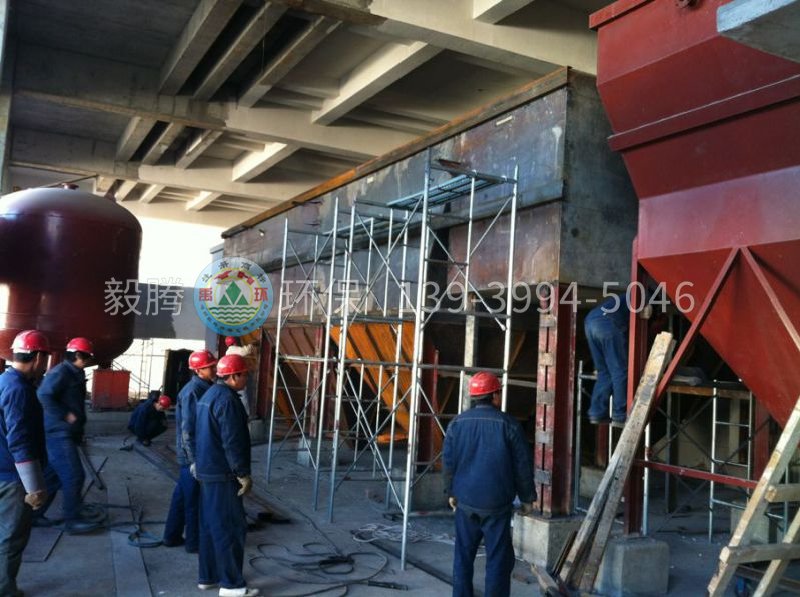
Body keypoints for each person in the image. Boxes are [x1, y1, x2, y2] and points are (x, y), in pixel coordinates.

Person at [443, 372, 536, 597]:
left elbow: (448, 462)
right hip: (496, 505)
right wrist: (527, 498)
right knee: (497, 560)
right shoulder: (509, 425)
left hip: (466, 502)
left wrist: (451, 492)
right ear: (495, 395)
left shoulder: (457, 423)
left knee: (463, 558)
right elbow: (522, 465)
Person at [195, 354, 258, 597]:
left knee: (210, 526)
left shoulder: (209, 394)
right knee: (230, 528)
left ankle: (208, 576)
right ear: (233, 376)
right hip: (223, 474)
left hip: (207, 470)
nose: (246, 379)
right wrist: (242, 473)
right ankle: (232, 586)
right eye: (244, 375)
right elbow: (233, 441)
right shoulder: (229, 401)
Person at [0, 330, 51, 596]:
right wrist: (34, 487)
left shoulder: (3, 380)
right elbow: (19, 440)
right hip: (12, 477)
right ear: (39, 357)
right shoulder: (19, 390)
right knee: (11, 538)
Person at [35, 337, 102, 534]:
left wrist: (78, 431)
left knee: (53, 477)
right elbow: (43, 395)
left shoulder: (75, 372)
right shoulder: (61, 372)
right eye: (88, 357)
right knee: (74, 475)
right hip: (59, 433)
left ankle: (34, 515)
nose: (89, 361)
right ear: (78, 355)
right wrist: (65, 415)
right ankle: (72, 521)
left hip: (67, 433)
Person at [163, 350, 217, 553]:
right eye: (210, 367)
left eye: (213, 365)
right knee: (194, 500)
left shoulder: (205, 387)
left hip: (194, 454)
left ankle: (171, 536)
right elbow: (188, 430)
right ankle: (194, 543)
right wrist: (194, 460)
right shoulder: (193, 391)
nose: (214, 369)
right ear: (198, 370)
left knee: (181, 497)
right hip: (192, 456)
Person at [584, 295, 630, 427]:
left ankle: (597, 412)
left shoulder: (628, 297)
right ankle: (620, 414)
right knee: (620, 372)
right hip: (607, 323)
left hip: (590, 321)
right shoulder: (646, 297)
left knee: (604, 372)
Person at [224, 336, 256, 417]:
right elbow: (245, 351)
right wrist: (252, 345)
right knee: (243, 395)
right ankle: (246, 415)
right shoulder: (233, 349)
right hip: (237, 375)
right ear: (234, 342)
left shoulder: (228, 351)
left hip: (233, 375)